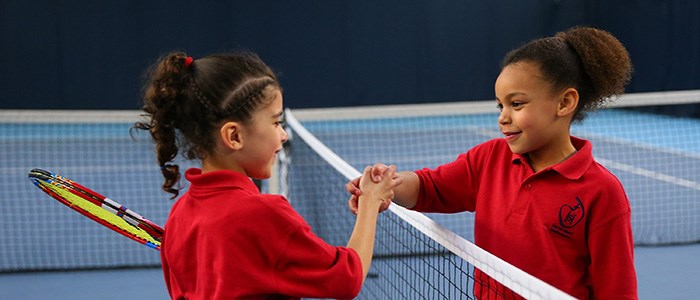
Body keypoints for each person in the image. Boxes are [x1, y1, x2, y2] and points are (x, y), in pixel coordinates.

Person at [347, 26, 637, 299]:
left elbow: (616, 289)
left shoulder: (602, 192)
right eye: (501, 105)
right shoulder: (489, 159)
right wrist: (387, 185)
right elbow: (428, 188)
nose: (503, 117)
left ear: (564, 103)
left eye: (517, 104)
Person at [133, 51, 400, 299]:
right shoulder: (264, 214)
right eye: (275, 122)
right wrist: (370, 203)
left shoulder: (181, 214)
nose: (283, 135)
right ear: (234, 136)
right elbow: (347, 277)